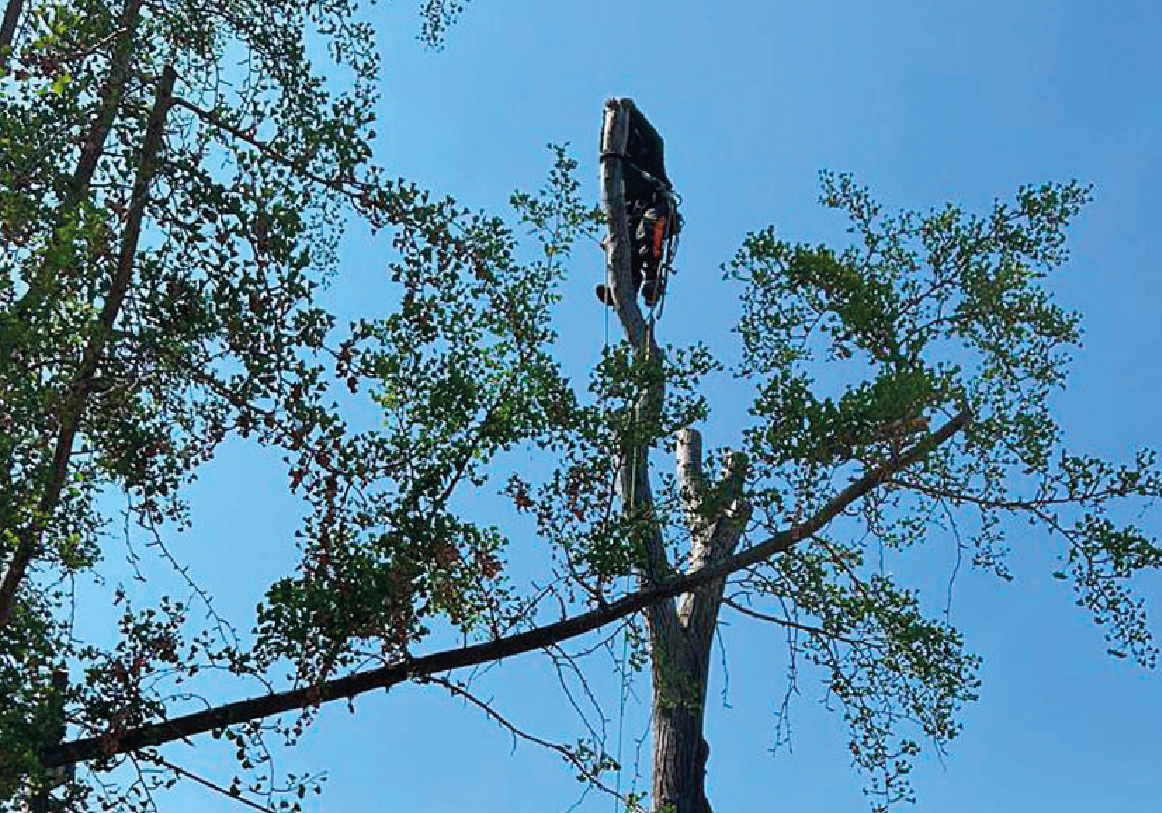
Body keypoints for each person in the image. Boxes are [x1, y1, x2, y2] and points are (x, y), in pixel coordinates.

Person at [597, 103, 680, 308]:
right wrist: (607, 118)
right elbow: (606, 148)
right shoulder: (618, 164)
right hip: (631, 211)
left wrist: (631, 112)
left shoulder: (649, 156)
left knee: (647, 230)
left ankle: (652, 280)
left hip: (656, 206)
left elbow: (656, 140)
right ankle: (625, 288)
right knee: (625, 244)